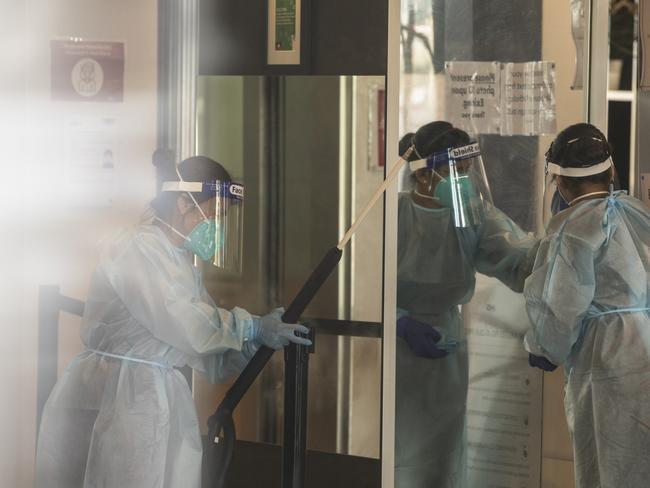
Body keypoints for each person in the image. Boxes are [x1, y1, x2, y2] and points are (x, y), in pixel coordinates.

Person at [34, 155, 311, 488]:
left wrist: (256, 343)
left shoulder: (177, 261)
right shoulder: (137, 249)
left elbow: (208, 352)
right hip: (125, 398)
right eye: (215, 213)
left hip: (153, 398)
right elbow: (186, 324)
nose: (217, 225)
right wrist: (251, 327)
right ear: (184, 203)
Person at [395, 122, 540, 487]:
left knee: (443, 458)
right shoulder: (392, 217)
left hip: (448, 348)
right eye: (453, 171)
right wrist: (396, 322)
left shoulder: (471, 215)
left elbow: (516, 256)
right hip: (394, 351)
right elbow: (361, 289)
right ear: (425, 175)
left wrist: (559, 250)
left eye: (464, 170)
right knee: (397, 451)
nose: (462, 179)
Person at [523, 123, 650, 488]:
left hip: (606, 359)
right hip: (645, 350)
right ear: (611, 172)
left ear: (559, 183)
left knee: (606, 466)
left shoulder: (572, 228)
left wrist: (544, 348)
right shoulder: (634, 212)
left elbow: (560, 305)